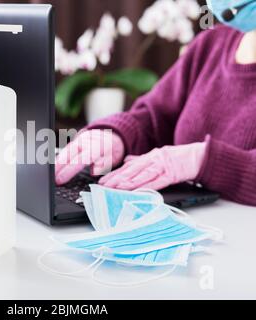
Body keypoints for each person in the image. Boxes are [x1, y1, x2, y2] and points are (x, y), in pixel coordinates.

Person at [55, 0, 256, 206]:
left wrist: (199, 161)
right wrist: (117, 136)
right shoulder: (211, 43)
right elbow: (155, 115)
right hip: (186, 222)